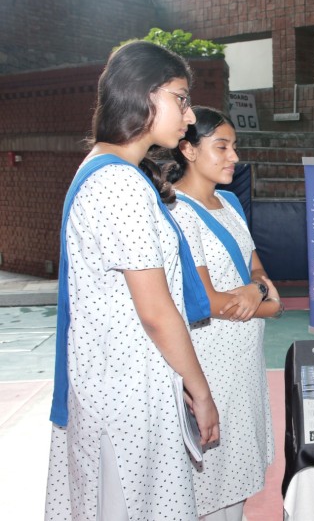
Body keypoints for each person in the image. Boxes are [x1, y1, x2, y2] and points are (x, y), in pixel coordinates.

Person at [46, 41, 220, 520]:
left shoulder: (112, 171)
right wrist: (201, 392)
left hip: (118, 385)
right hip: (126, 393)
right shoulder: (119, 183)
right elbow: (157, 311)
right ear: (143, 93)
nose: (189, 116)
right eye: (181, 99)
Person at [164, 106, 279, 520]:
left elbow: (259, 274)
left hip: (245, 364)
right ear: (188, 150)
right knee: (211, 484)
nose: (234, 156)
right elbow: (209, 301)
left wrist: (255, 290)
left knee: (239, 477)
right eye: (222, 147)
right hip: (211, 366)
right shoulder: (177, 211)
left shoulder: (230, 203)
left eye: (235, 147)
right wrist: (265, 300)